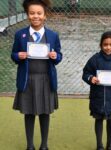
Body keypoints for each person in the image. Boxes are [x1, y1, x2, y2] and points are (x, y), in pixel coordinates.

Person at [11, 0, 62, 150]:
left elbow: (59, 56)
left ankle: (44, 145)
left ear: (45, 15)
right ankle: (30, 145)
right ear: (27, 15)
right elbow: (13, 55)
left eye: (39, 13)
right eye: (32, 13)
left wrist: (55, 56)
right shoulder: (20, 34)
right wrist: (18, 55)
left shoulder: (53, 35)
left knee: (45, 113)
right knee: (29, 113)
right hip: (28, 79)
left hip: (46, 79)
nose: (36, 16)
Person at [82, 31, 111, 150]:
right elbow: (85, 73)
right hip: (97, 97)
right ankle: (99, 145)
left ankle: (110, 144)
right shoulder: (94, 60)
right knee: (98, 119)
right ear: (101, 45)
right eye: (105, 44)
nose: (108, 47)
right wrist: (91, 78)